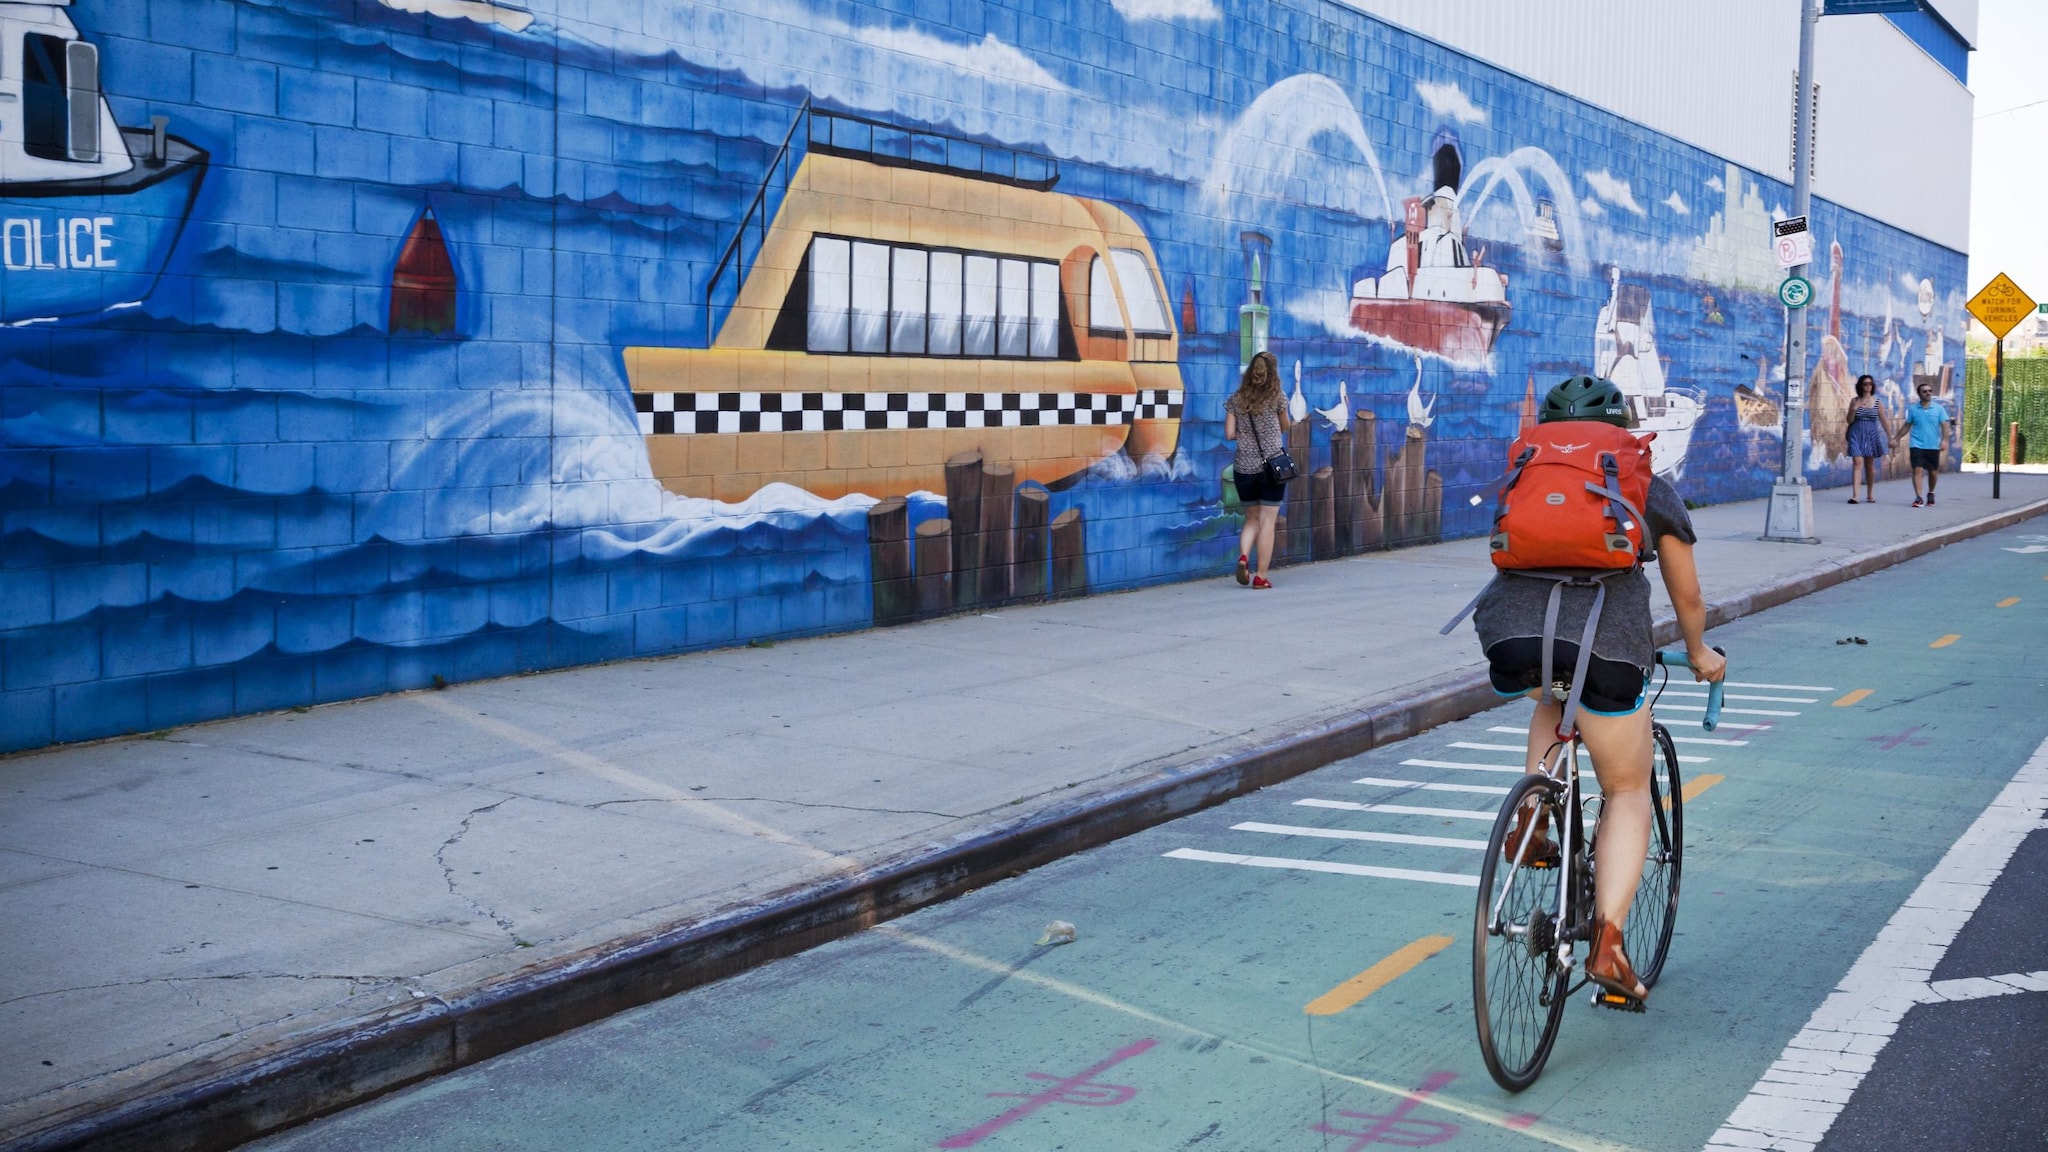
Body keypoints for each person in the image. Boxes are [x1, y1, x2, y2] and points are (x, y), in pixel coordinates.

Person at [1464, 376, 1726, 1003]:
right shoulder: (1643, 482)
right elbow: (1686, 593)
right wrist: (1697, 652)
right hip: (1608, 647)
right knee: (1629, 787)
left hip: (1513, 638)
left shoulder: (1527, 470)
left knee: (1555, 692)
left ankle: (1533, 807)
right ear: (1620, 427)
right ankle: (1608, 944)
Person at [1224, 350, 1291, 589]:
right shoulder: (1278, 397)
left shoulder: (1236, 399)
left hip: (1243, 468)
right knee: (1267, 522)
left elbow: (1230, 433)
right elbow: (1285, 426)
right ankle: (1261, 576)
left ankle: (1244, 556)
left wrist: (1245, 435)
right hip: (1272, 467)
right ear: (1272, 373)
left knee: (1251, 518)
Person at [1898, 379, 1955, 507]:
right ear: (1920, 394)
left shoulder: (1939, 409)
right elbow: (1907, 426)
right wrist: (1896, 438)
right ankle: (1918, 498)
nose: (1928, 393)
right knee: (1917, 470)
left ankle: (1931, 492)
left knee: (1933, 472)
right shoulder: (1913, 409)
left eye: (1930, 391)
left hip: (1933, 445)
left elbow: (1945, 426)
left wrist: (1945, 441)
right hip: (1916, 445)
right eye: (1925, 391)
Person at [1844, 374, 1893, 504]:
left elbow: (1884, 421)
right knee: (1857, 462)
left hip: (1871, 434)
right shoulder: (1854, 401)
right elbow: (1849, 420)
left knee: (1869, 465)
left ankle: (1870, 494)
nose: (1868, 386)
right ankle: (1855, 496)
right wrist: (1853, 410)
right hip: (1856, 434)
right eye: (1865, 384)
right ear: (1860, 385)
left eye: (1870, 384)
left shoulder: (1877, 402)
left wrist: (1890, 437)